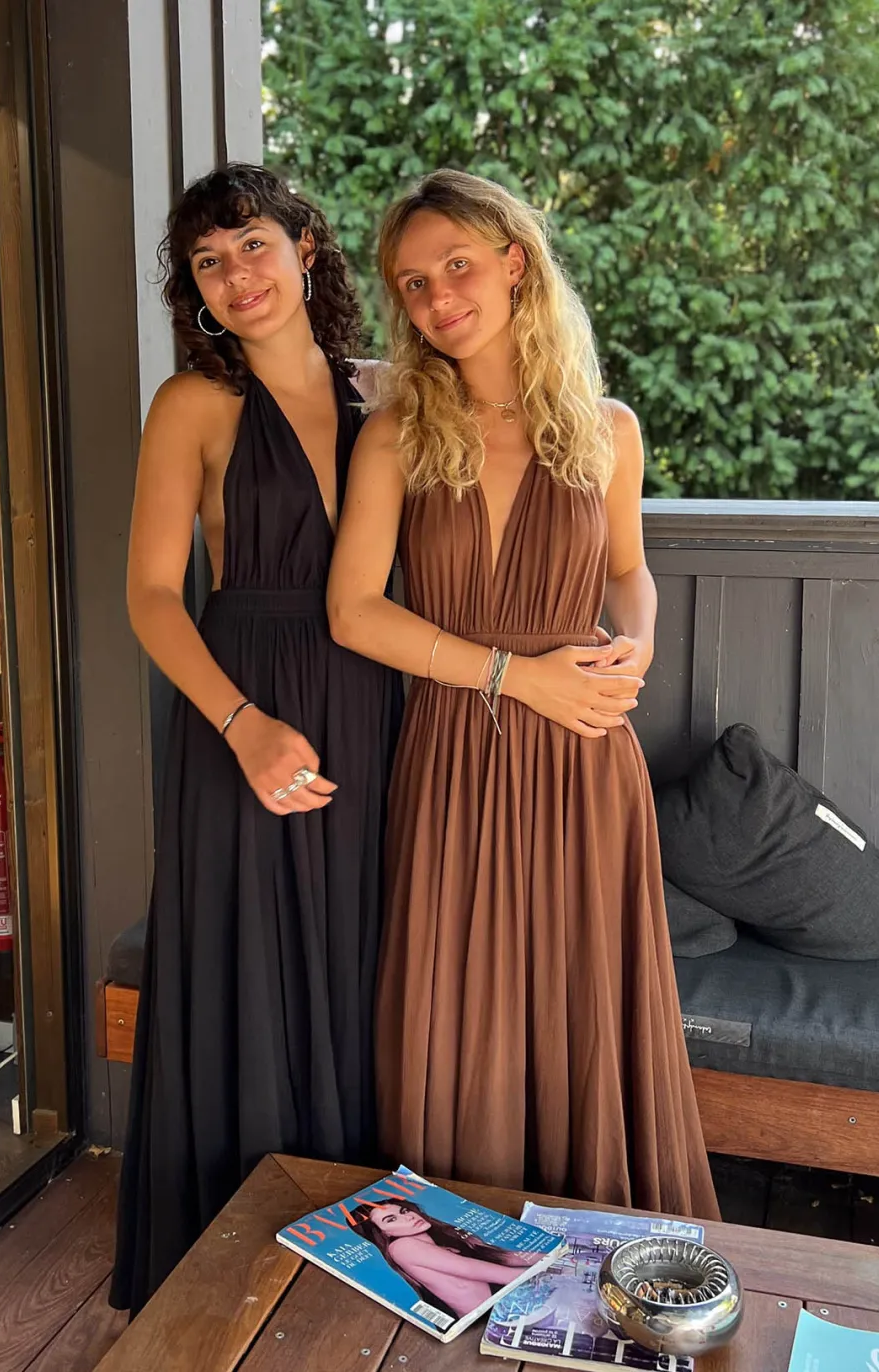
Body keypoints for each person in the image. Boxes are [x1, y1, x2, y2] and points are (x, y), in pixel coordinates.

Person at [328, 169, 719, 1220]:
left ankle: (596, 1245)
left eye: (456, 265)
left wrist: (637, 645)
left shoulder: (608, 429)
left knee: (584, 1002)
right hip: (456, 746)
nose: (437, 297)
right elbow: (353, 612)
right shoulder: (398, 434)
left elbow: (629, 571)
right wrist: (516, 676)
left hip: (583, 753)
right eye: (413, 284)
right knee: (459, 1004)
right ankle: (462, 1248)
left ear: (514, 263)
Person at [111, 163, 402, 1317]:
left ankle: (355, 1258)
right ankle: (228, 1266)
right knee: (248, 967)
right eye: (208, 262)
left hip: (375, 705)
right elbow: (150, 594)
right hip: (244, 708)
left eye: (253, 246)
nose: (237, 277)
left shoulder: (387, 396)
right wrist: (241, 726)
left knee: (359, 960)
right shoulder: (194, 404)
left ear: (306, 247)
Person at [349, 1199, 548, 1320]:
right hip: (485, 1318)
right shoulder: (401, 1247)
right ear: (383, 1234)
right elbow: (471, 1269)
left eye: (404, 1211)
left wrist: (554, 1255)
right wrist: (544, 1274)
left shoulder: (439, 1238)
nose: (408, 1217)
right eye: (391, 1220)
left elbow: (501, 1257)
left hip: (502, 1303)